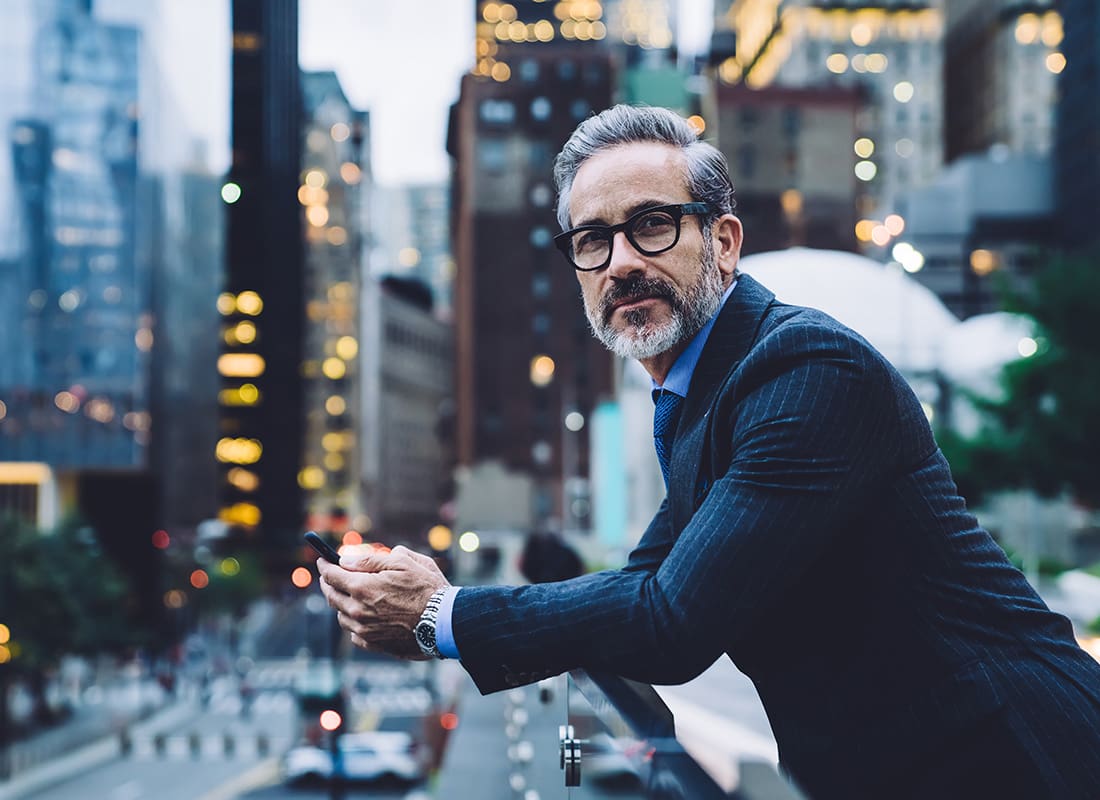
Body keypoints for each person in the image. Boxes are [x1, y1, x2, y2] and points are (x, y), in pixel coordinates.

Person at [318, 104, 1100, 799]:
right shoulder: (699, 395)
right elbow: (647, 579)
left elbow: (674, 621)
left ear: (724, 242)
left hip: (1013, 756)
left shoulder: (806, 370)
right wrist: (442, 609)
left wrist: (443, 615)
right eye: (593, 240)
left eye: (652, 224)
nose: (621, 261)